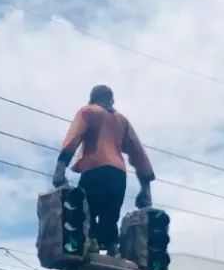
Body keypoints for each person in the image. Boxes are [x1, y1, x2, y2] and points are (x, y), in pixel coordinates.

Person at [53, 85, 155, 256]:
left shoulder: (88, 112)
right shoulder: (122, 121)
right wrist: (145, 187)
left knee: (88, 213)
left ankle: (91, 246)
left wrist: (60, 167)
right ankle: (112, 248)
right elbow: (138, 152)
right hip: (118, 174)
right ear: (112, 100)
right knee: (111, 216)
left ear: (92, 98)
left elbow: (73, 137)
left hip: (95, 169)